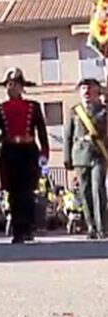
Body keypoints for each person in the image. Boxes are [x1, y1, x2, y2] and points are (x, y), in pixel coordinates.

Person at [0, 68, 49, 244]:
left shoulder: (33, 107)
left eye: (15, 84)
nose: (11, 87)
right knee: (13, 193)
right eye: (9, 84)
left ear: (21, 87)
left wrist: (45, 152)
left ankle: (28, 228)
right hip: (10, 151)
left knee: (28, 192)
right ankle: (18, 231)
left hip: (28, 151)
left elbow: (41, 131)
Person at [64, 77, 107, 240]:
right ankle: (91, 227)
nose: (86, 92)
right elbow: (68, 135)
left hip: (99, 154)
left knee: (98, 189)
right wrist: (67, 158)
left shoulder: (104, 111)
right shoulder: (75, 111)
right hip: (80, 155)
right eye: (83, 89)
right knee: (85, 191)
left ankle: (102, 226)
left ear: (98, 91)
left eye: (90, 88)